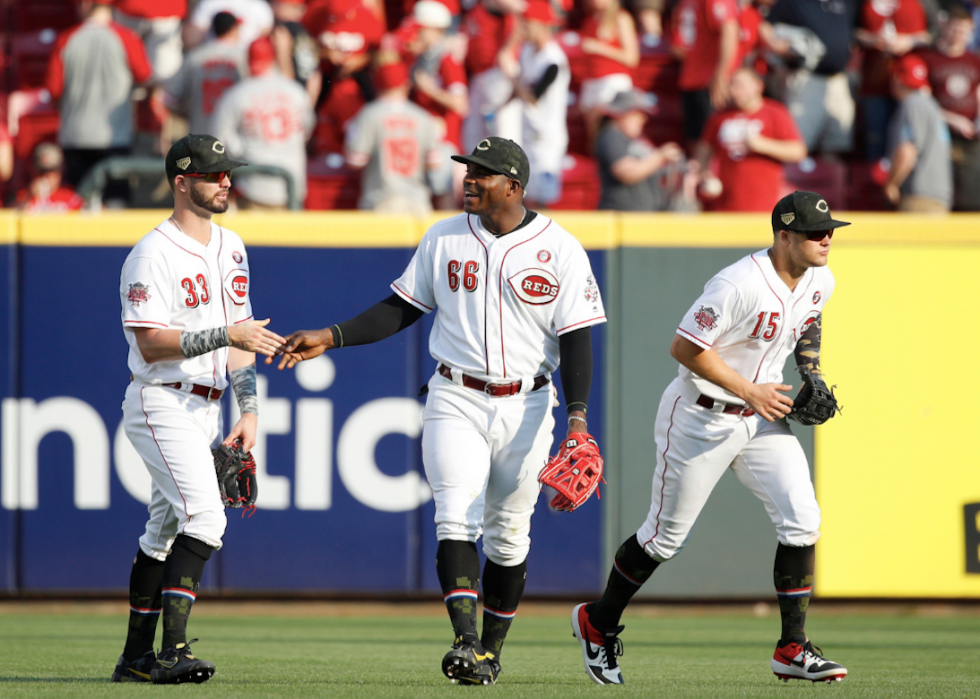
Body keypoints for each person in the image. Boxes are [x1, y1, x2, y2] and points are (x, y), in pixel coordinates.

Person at [272, 137, 606, 686]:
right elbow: (400, 309)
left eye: (482, 174)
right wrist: (331, 336)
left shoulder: (561, 247)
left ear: (514, 186)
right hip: (456, 395)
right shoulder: (444, 236)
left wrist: (577, 419)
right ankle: (466, 640)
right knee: (455, 513)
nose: (468, 180)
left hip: (529, 401)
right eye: (466, 170)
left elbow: (576, 341)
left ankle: (490, 653)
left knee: (509, 536)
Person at [570, 190, 849, 686]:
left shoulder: (820, 278)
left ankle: (791, 647)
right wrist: (749, 390)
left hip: (763, 416)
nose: (826, 239)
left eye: (829, 231)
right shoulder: (737, 284)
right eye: (814, 232)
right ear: (784, 236)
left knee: (802, 520)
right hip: (702, 415)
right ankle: (598, 620)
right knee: (663, 539)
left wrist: (812, 372)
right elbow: (684, 347)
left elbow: (809, 319)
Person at [112, 134, 284, 685]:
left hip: (207, 407)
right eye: (214, 175)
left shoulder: (231, 244)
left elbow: (242, 339)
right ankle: (172, 651)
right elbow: (150, 343)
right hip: (161, 399)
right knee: (206, 518)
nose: (226, 181)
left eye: (228, 172)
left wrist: (250, 411)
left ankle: (136, 659)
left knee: (160, 535)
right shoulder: (151, 252)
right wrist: (223, 333)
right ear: (182, 182)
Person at [45, 0, 152, 199]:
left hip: (75, 136)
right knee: (115, 207)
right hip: (116, 137)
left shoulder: (66, 39)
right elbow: (144, 75)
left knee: (78, 207)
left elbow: (54, 91)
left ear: (86, 5)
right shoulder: (126, 37)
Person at [212, 37, 315, 209]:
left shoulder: (236, 94)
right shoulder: (296, 91)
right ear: (273, 58)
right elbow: (307, 132)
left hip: (254, 186)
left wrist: (241, 151)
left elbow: (219, 143)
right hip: (292, 188)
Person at [696, 67, 806, 211]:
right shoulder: (719, 117)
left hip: (763, 205)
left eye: (740, 85)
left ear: (758, 86)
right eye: (732, 85)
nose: (735, 91)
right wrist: (705, 174)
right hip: (723, 206)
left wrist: (762, 145)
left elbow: (798, 151)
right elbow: (702, 153)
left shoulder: (776, 112)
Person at [760, 0, 859, 156]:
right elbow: (765, 25)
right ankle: (797, 179)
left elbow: (856, 29)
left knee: (837, 143)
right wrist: (775, 45)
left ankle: (833, 179)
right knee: (799, 138)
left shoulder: (847, 3)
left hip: (838, 80)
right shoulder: (795, 3)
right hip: (807, 78)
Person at [345, 58, 441, 214]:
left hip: (382, 201)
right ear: (406, 84)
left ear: (376, 84)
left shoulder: (369, 115)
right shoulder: (423, 117)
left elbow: (355, 160)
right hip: (418, 203)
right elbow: (434, 163)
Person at [855, 0, 934, 161]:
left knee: (910, 137)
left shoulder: (923, 2)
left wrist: (910, 41)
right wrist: (872, 39)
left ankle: (904, 182)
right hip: (875, 80)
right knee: (875, 138)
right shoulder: (864, 3)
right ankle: (875, 181)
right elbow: (851, 29)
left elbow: (935, 32)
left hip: (911, 80)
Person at [920, 5, 980, 210]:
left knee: (971, 191)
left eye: (963, 30)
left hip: (971, 136)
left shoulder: (975, 60)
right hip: (940, 134)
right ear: (945, 27)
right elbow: (924, 102)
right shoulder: (929, 58)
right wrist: (951, 119)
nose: (958, 35)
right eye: (954, 29)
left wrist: (977, 121)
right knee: (941, 189)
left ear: (971, 30)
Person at [514, 0, 571, 206]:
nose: (523, 28)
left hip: (547, 140)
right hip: (527, 134)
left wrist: (512, 76)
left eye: (528, 23)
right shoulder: (527, 50)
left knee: (543, 203)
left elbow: (533, 97)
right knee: (523, 199)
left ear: (541, 24)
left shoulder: (554, 59)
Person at [883, 53, 952, 212]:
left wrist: (891, 184)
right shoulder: (931, 105)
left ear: (896, 79)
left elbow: (907, 152)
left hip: (918, 198)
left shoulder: (911, 105)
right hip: (940, 198)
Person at [595, 90, 685, 211]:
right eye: (637, 114)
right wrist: (660, 156)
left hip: (640, 215)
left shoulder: (633, 139)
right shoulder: (612, 136)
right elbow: (626, 173)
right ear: (621, 113)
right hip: (622, 216)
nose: (643, 119)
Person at [164, 12, 247, 141]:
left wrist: (190, 114)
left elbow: (169, 99)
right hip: (235, 140)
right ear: (233, 29)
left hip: (201, 137)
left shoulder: (195, 56)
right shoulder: (245, 58)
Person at [671, 0, 740, 145]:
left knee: (714, 140)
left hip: (708, 80)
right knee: (695, 139)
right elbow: (678, 45)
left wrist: (721, 76)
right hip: (691, 78)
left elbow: (729, 29)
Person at [579, 0, 640, 146]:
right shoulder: (589, 20)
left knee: (607, 131)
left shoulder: (621, 18)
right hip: (592, 82)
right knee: (593, 136)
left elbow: (632, 58)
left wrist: (599, 47)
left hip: (613, 81)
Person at [15, 142, 85, 213]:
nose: (45, 176)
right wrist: (29, 196)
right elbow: (12, 215)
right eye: (42, 172)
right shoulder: (24, 195)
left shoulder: (72, 198)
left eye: (51, 171)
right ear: (33, 171)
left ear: (60, 172)